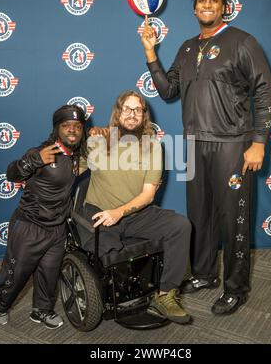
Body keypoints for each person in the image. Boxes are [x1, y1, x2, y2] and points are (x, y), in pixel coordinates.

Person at [141, 0, 271, 315]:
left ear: (224, 8)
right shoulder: (187, 48)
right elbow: (168, 90)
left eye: (214, 0)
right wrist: (150, 53)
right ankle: (203, 274)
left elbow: (264, 92)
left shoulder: (242, 42)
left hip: (232, 143)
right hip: (194, 142)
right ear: (195, 8)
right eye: (202, 0)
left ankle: (236, 287)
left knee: (233, 219)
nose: (208, 5)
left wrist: (258, 142)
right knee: (199, 215)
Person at [80, 90, 192, 324]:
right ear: (118, 112)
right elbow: (71, 168)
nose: (132, 114)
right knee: (110, 249)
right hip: (100, 210)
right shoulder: (97, 141)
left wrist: (120, 212)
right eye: (127, 109)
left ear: (144, 115)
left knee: (180, 225)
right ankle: (114, 296)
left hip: (134, 212)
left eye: (138, 110)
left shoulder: (153, 146)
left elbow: (148, 194)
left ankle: (165, 294)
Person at [0, 105, 87, 328]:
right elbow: (12, 174)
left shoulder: (76, 154)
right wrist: (35, 160)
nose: (72, 130)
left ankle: (41, 311)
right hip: (30, 225)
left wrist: (102, 133)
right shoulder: (43, 152)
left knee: (49, 274)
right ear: (57, 129)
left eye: (77, 126)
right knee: (15, 274)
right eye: (66, 126)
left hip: (57, 229)